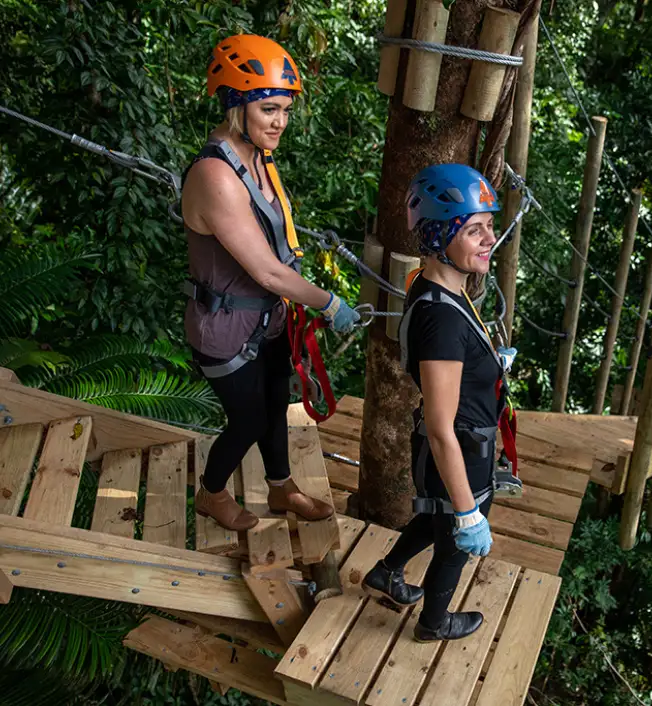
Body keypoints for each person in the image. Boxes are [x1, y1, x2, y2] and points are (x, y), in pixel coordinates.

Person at [182, 35, 359, 531]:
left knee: (276, 404)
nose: (280, 122)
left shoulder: (258, 157)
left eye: (285, 110)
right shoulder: (216, 175)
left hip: (268, 319)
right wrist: (329, 303)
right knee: (250, 420)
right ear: (237, 105)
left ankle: (281, 487)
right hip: (223, 329)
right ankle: (211, 493)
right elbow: (265, 271)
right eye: (269, 109)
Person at [361, 164, 510, 643]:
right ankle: (433, 623)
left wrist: (487, 363)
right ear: (441, 234)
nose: (489, 237)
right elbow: (443, 425)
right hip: (458, 451)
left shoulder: (438, 287)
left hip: (453, 446)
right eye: (473, 229)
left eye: (489, 224)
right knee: (453, 544)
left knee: (434, 516)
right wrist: (469, 511)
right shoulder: (442, 320)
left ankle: (387, 572)